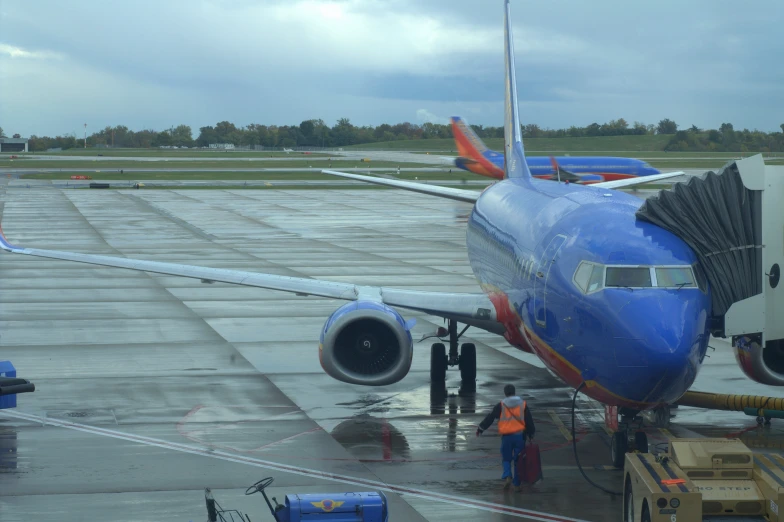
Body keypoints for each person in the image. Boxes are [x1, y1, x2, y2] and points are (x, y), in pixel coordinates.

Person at [476, 384, 535, 491]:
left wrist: (481, 428)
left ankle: (508, 475)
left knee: (506, 459)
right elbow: (529, 421)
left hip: (507, 437)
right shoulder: (523, 405)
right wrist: (531, 434)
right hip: (519, 436)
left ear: (505, 393)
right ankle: (517, 484)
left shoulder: (501, 405)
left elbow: (491, 417)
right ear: (514, 392)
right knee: (518, 460)